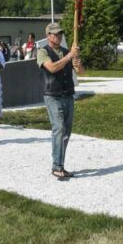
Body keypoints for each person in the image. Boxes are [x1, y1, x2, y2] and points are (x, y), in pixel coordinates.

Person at [37, 22, 84, 179]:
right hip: (52, 95)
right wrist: (70, 56)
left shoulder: (66, 52)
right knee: (59, 129)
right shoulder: (43, 52)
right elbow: (52, 68)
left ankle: (61, 165)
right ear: (48, 36)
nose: (58, 36)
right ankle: (56, 166)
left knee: (66, 131)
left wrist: (77, 62)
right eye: (55, 34)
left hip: (68, 95)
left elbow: (81, 72)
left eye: (60, 33)